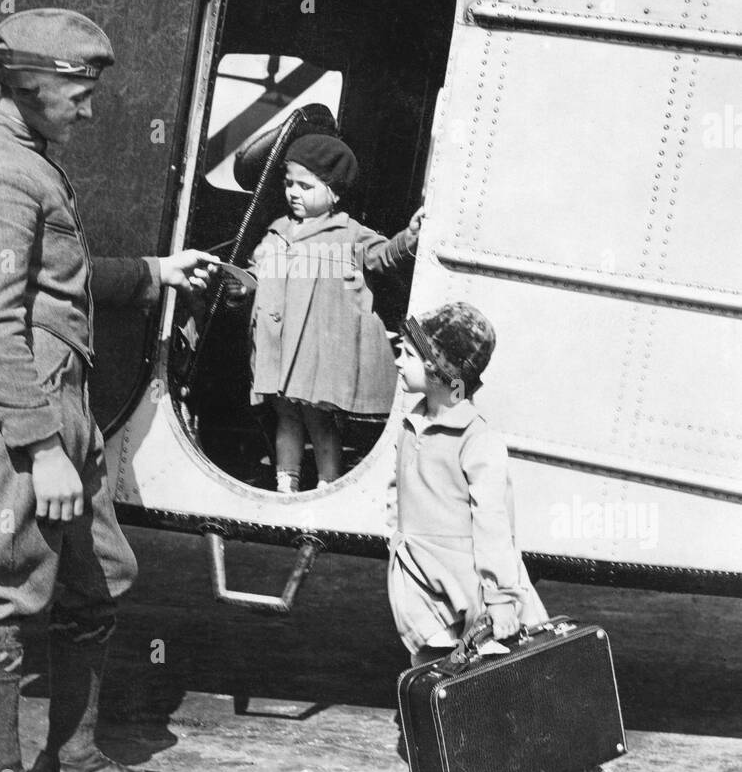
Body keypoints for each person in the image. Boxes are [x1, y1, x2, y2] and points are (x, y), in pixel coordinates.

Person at [0, 8, 218, 772]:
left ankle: (73, 753)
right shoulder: (1, 175)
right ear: (31, 82)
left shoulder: (31, 162)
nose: (90, 109)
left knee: (99, 575)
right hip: (22, 408)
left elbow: (50, 279)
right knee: (0, 592)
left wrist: (153, 274)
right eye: (79, 90)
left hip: (66, 403)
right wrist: (36, 448)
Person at [234, 132, 422, 491]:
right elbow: (260, 272)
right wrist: (243, 285)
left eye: (305, 186)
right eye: (289, 183)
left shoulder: (349, 234)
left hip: (315, 354)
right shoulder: (277, 232)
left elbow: (384, 256)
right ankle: (284, 486)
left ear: (334, 192)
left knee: (318, 420)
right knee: (285, 416)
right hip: (278, 347)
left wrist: (410, 237)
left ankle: (327, 487)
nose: (293, 192)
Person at [388, 301, 547, 668]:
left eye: (409, 354)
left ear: (438, 369)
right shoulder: (412, 424)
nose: (398, 360)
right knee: (429, 667)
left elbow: (493, 524)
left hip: (469, 585)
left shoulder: (477, 439)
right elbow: (395, 494)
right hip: (421, 578)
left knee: (485, 679)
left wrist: (501, 597)